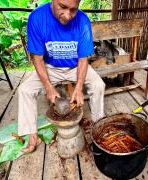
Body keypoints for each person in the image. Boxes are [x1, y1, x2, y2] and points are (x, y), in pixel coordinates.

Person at [18, 0, 105, 153]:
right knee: (25, 90)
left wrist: (79, 87)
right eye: (63, 7)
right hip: (50, 67)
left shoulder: (83, 21)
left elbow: (83, 59)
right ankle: (33, 136)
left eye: (73, 9)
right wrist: (48, 87)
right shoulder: (37, 18)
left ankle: (99, 128)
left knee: (98, 85)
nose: (68, 15)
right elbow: (37, 59)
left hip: (76, 67)